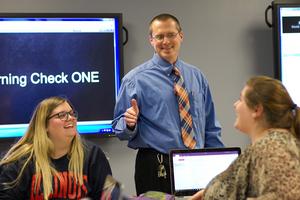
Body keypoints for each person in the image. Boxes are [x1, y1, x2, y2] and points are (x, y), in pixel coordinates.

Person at [112, 13, 224, 195]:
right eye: (159, 36)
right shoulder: (134, 80)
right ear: (151, 40)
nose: (166, 41)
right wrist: (129, 123)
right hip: (156, 167)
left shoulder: (197, 76)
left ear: (181, 36)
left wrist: (217, 167)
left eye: (171, 34)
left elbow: (210, 127)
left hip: (196, 165)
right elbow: (118, 127)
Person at [191, 75, 300, 200]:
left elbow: (288, 195)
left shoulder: (274, 148)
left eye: (241, 99)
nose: (235, 104)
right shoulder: (271, 144)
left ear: (257, 109)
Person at [0, 96, 112, 199]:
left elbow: (111, 196)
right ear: (44, 125)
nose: (71, 118)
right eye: (62, 115)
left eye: (72, 113)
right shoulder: (19, 160)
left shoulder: (93, 154)